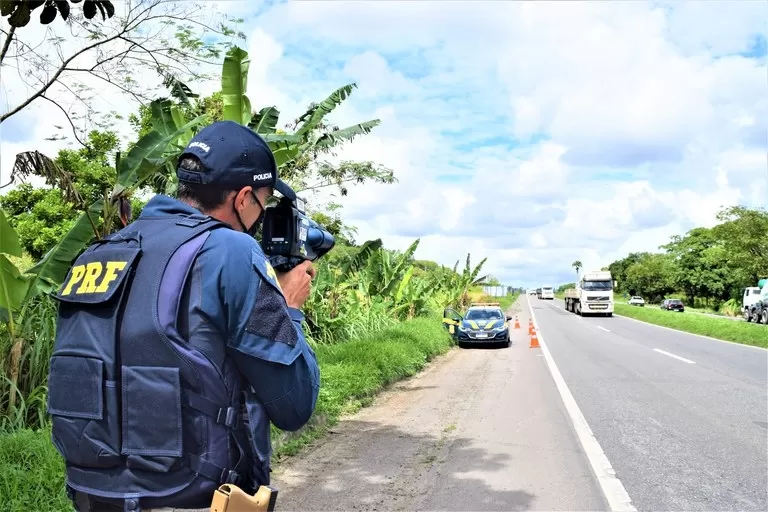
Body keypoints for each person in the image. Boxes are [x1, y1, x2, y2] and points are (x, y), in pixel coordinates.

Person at [47, 120, 321, 512]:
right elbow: (294, 405)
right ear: (243, 198)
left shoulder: (97, 253)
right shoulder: (232, 251)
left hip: (91, 495)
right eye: (262, 204)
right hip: (191, 496)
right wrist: (289, 307)